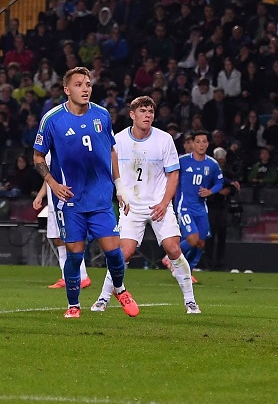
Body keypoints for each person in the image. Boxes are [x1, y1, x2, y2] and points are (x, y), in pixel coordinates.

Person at [32, 66, 139, 318]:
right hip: (71, 200)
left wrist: (120, 187)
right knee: (74, 254)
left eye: (88, 84)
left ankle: (120, 289)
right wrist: (52, 183)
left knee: (115, 253)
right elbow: (38, 155)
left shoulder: (102, 116)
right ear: (67, 90)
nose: (85, 88)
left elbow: (111, 150)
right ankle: (73, 305)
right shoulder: (52, 119)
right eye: (79, 84)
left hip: (101, 198)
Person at [93, 96, 199, 313]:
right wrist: (119, 191)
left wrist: (164, 202)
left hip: (158, 204)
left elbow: (174, 174)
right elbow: (111, 168)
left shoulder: (164, 139)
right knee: (123, 253)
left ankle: (190, 300)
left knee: (173, 248)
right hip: (132, 206)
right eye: (143, 111)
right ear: (132, 115)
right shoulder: (119, 140)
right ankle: (103, 298)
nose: (148, 115)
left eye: (150, 111)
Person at [176, 131, 225, 277]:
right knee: (192, 239)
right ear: (192, 144)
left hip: (201, 208)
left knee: (201, 243)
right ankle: (171, 257)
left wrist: (210, 191)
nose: (201, 145)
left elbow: (219, 182)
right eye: (198, 141)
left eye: (204, 141)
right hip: (184, 206)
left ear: (208, 144)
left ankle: (187, 272)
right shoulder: (182, 161)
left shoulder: (212, 164)